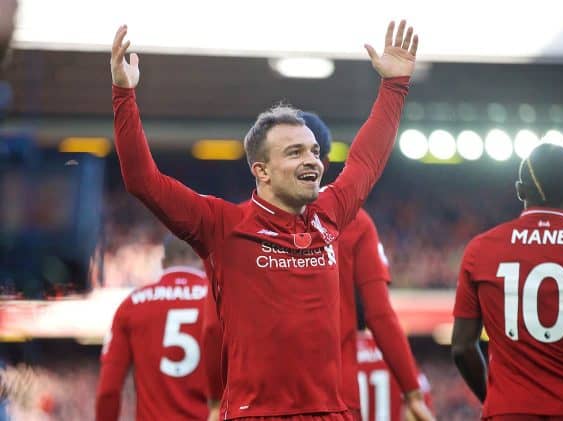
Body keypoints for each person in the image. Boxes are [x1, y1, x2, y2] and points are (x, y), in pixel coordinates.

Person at [110, 19, 418, 420]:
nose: (311, 160)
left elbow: (366, 158)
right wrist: (123, 94)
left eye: (312, 151)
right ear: (262, 171)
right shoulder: (223, 226)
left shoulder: (331, 214)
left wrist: (394, 87)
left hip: (330, 413)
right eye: (294, 153)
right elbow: (142, 180)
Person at [201, 113, 434, 421]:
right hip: (335, 399)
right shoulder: (356, 222)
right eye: (295, 151)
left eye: (310, 151)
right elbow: (379, 314)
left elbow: (213, 326)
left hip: (258, 405)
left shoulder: (236, 227)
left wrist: (217, 398)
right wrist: (411, 390)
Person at [451, 143, 563, 420]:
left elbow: (461, 348)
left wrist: (495, 400)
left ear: (520, 190)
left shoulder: (481, 250)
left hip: (507, 410)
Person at [95, 236, 210, 421]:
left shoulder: (132, 304)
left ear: (163, 262)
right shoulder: (223, 302)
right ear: (204, 259)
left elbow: (108, 391)